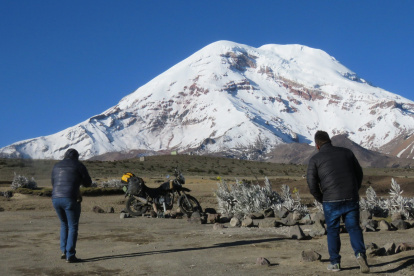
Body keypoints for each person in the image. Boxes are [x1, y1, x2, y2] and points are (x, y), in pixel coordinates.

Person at [306, 131, 369, 273]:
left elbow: (311, 183)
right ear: (329, 140)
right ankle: (360, 254)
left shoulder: (315, 159)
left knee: (333, 231)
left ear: (317, 145)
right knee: (354, 228)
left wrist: (321, 198)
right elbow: (359, 173)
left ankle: (335, 263)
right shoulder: (347, 153)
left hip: (330, 200)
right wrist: (354, 189)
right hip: (350, 197)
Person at [51, 148, 92, 263]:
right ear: (77, 156)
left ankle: (64, 250)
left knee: (64, 224)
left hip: (55, 198)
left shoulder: (56, 166)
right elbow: (88, 183)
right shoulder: (78, 165)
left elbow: (53, 183)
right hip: (70, 199)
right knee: (73, 226)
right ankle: (70, 255)